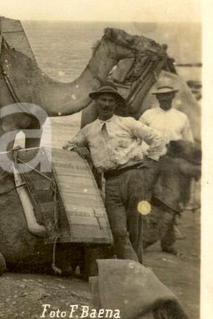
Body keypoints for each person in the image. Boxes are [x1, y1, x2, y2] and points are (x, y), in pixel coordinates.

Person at [64, 84, 165, 263]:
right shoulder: (89, 130)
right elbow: (68, 145)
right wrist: (77, 149)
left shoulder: (127, 123)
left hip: (134, 177)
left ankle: (135, 271)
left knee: (135, 229)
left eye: (111, 101)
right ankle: (133, 268)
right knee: (118, 231)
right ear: (96, 102)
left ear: (115, 104)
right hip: (110, 182)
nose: (107, 104)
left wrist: (150, 160)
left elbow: (156, 138)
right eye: (103, 100)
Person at [139, 85, 196, 255]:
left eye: (168, 95)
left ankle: (168, 243)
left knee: (171, 202)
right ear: (157, 97)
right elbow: (138, 136)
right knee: (147, 198)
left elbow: (188, 142)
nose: (165, 99)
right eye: (161, 96)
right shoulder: (148, 115)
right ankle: (140, 238)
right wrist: (144, 152)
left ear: (173, 96)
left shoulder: (181, 117)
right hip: (152, 160)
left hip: (172, 165)